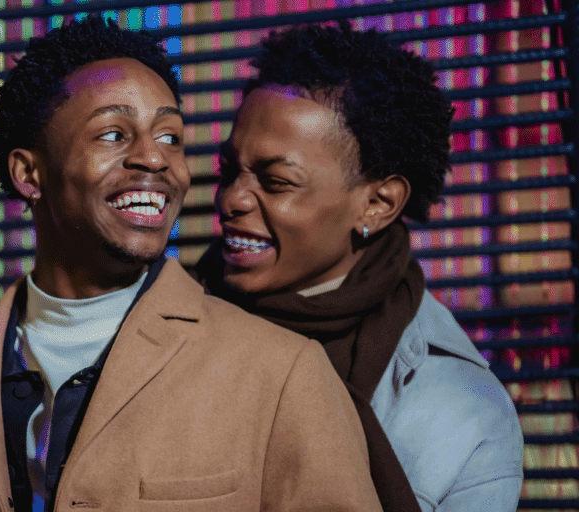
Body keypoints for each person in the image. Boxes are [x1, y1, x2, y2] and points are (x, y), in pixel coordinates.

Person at [0, 17, 382, 512]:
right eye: (114, 135)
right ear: (29, 173)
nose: (155, 159)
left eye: (169, 137)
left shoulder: (282, 371)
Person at [194, 22, 524, 511]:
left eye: (277, 181)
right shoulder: (160, 327)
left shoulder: (462, 412)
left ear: (377, 204)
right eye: (230, 171)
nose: (231, 199)